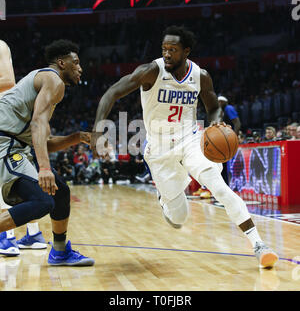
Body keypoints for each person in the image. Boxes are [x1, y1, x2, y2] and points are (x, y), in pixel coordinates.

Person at [91, 25, 278, 268]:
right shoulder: (151, 71)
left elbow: (212, 107)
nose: (167, 54)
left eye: (173, 49)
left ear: (186, 51)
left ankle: (258, 245)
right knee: (179, 217)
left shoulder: (200, 76)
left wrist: (215, 123)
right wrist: (97, 131)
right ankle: (165, 198)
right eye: (164, 49)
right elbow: (111, 93)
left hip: (191, 140)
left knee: (220, 188)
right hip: (159, 149)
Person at [0, 39, 94, 266]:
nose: (80, 69)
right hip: (5, 144)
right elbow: (38, 124)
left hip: (15, 144)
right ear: (61, 63)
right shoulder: (53, 80)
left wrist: (77, 137)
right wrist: (44, 168)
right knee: (43, 201)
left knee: (59, 192)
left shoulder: (45, 85)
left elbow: (44, 140)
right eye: (76, 63)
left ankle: (60, 252)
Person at [0, 40, 47, 255]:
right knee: (22, 182)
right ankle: (34, 233)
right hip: (13, 123)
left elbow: (7, 80)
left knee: (7, 180)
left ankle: (6, 237)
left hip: (6, 121)